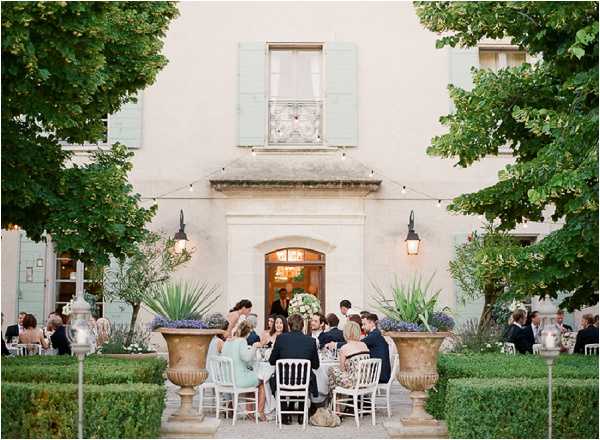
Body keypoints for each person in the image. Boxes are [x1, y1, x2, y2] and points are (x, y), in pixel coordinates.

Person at [268, 314, 320, 425]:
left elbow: (272, 361)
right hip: (303, 381)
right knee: (307, 376)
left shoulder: (281, 338)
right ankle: (301, 414)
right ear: (302, 326)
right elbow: (316, 365)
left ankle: (284, 413)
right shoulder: (311, 341)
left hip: (283, 381)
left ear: (289, 326)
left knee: (276, 378)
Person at [221, 321, 267, 421]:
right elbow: (247, 358)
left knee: (251, 379)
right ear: (248, 333)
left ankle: (249, 411)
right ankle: (259, 412)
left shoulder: (227, 341)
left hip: (226, 379)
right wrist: (254, 347)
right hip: (237, 380)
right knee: (262, 381)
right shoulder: (241, 341)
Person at [327, 321, 370, 398]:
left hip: (353, 383)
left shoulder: (345, 348)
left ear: (346, 333)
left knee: (331, 370)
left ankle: (336, 404)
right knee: (336, 376)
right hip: (365, 381)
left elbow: (342, 370)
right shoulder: (364, 345)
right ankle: (338, 404)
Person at [361, 313, 391, 383]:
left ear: (371, 323)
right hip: (382, 373)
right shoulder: (376, 333)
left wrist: (336, 344)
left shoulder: (374, 335)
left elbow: (356, 344)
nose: (362, 327)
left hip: (380, 375)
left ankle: (355, 392)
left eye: (364, 324)